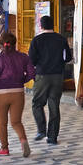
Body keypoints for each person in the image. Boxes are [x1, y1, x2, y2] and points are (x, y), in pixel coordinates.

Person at [0, 31, 34, 157]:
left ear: (1, 45)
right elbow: (32, 73)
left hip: (1, 93)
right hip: (18, 92)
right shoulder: (23, 57)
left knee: (2, 122)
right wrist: (22, 80)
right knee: (16, 122)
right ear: (14, 44)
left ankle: (4, 148)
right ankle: (23, 141)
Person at [29, 14, 71, 145]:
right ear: (53, 25)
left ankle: (41, 130)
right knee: (54, 106)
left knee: (37, 103)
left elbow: (31, 60)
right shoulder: (61, 39)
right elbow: (68, 57)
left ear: (40, 26)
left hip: (42, 76)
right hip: (58, 76)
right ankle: (52, 137)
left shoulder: (36, 40)